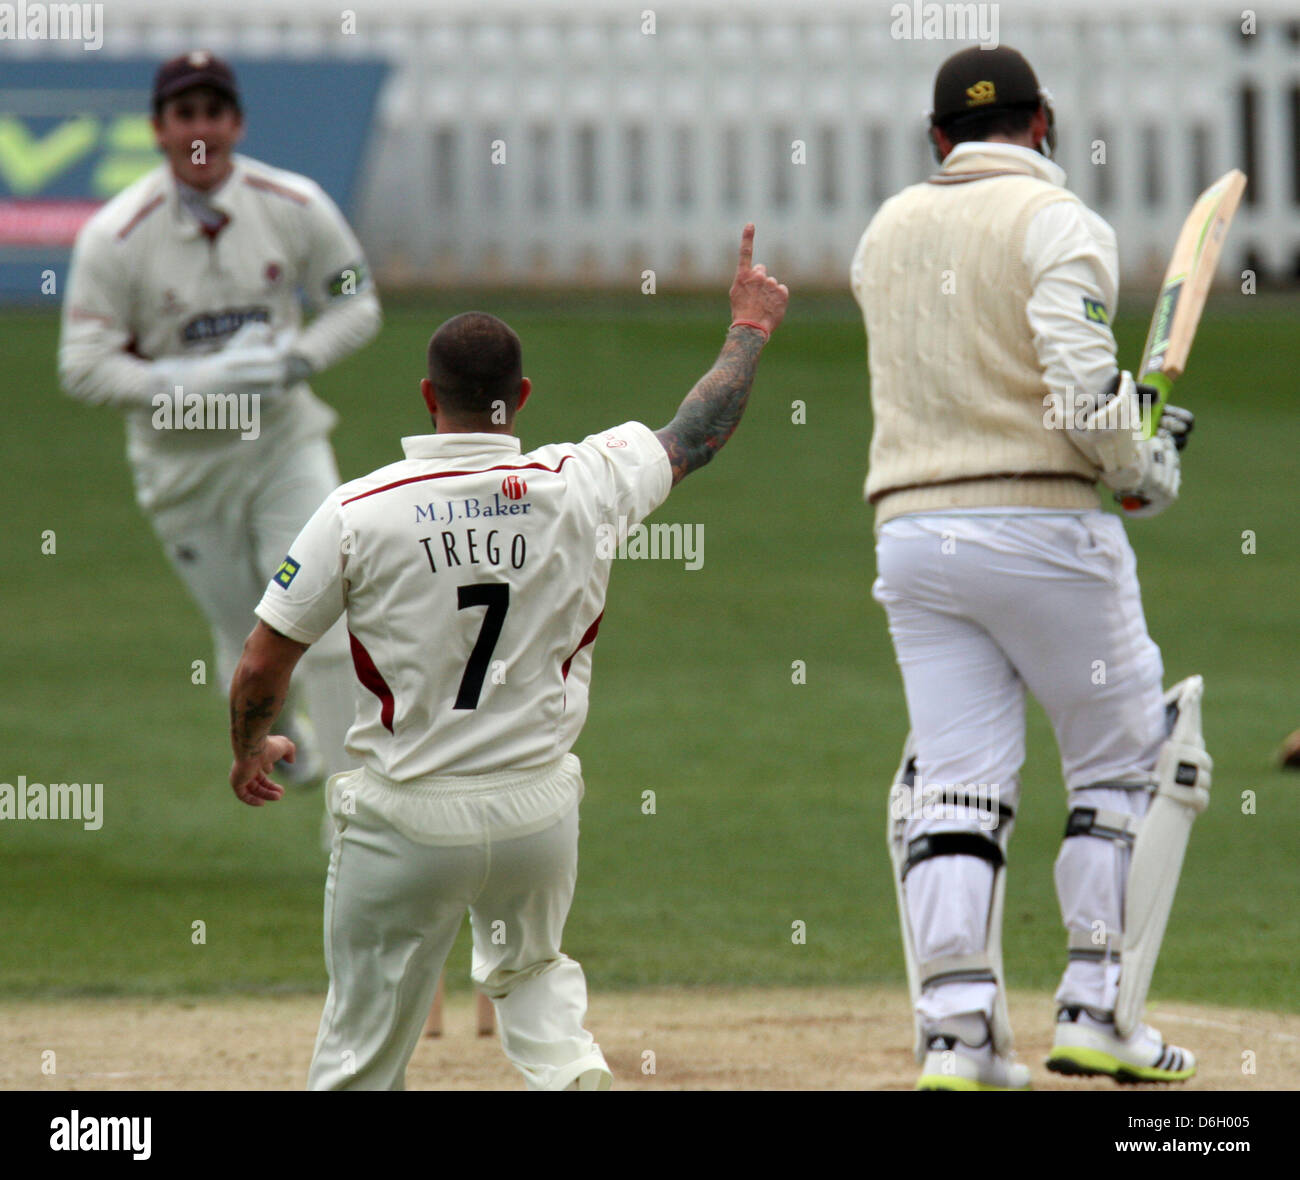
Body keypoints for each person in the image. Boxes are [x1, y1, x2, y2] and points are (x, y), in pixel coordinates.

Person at [225, 226, 789, 1090]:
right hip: (537, 812)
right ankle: (572, 1074)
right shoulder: (585, 479)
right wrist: (749, 325)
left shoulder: (358, 510)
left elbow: (263, 664)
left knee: (362, 1043)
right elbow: (698, 430)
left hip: (406, 814)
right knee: (533, 981)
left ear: (427, 396)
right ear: (520, 396)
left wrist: (250, 747)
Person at [851, 46, 1210, 1091]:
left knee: (956, 781)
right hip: (1042, 528)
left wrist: (1122, 436)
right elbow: (1077, 384)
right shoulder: (1058, 222)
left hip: (913, 535)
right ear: (1043, 119)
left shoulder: (885, 229)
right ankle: (1098, 1009)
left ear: (935, 138)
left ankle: (957, 1034)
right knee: (1126, 764)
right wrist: (1144, 463)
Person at [58, 51, 380, 784]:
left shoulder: (292, 204)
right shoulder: (115, 235)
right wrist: (190, 380)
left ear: (235, 122)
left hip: (282, 443)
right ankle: (280, 737)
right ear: (158, 129)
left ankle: (352, 808)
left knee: (322, 619)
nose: (200, 132)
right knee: (248, 640)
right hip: (183, 470)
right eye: (184, 116)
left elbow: (355, 298)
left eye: (213, 113)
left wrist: (294, 361)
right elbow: (82, 365)